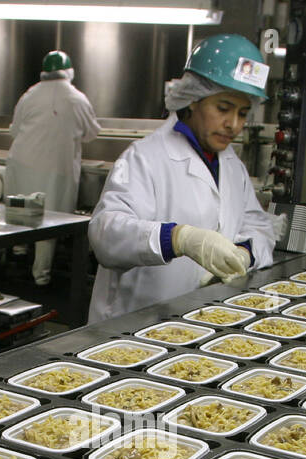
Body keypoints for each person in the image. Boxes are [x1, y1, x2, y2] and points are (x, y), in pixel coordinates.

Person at [87, 33, 277, 323]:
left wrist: (244, 253)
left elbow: (257, 224)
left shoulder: (230, 165)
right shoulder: (145, 157)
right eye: (223, 108)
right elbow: (106, 234)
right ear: (192, 101)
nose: (234, 125)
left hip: (200, 326)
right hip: (131, 327)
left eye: (243, 113)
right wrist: (178, 238)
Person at [5, 51, 101, 286]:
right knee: (48, 221)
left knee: (18, 215)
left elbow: (14, 130)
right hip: (56, 168)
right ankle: (41, 277)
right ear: (69, 72)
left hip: (22, 163)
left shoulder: (29, 95)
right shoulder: (77, 98)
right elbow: (92, 133)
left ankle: (16, 261)